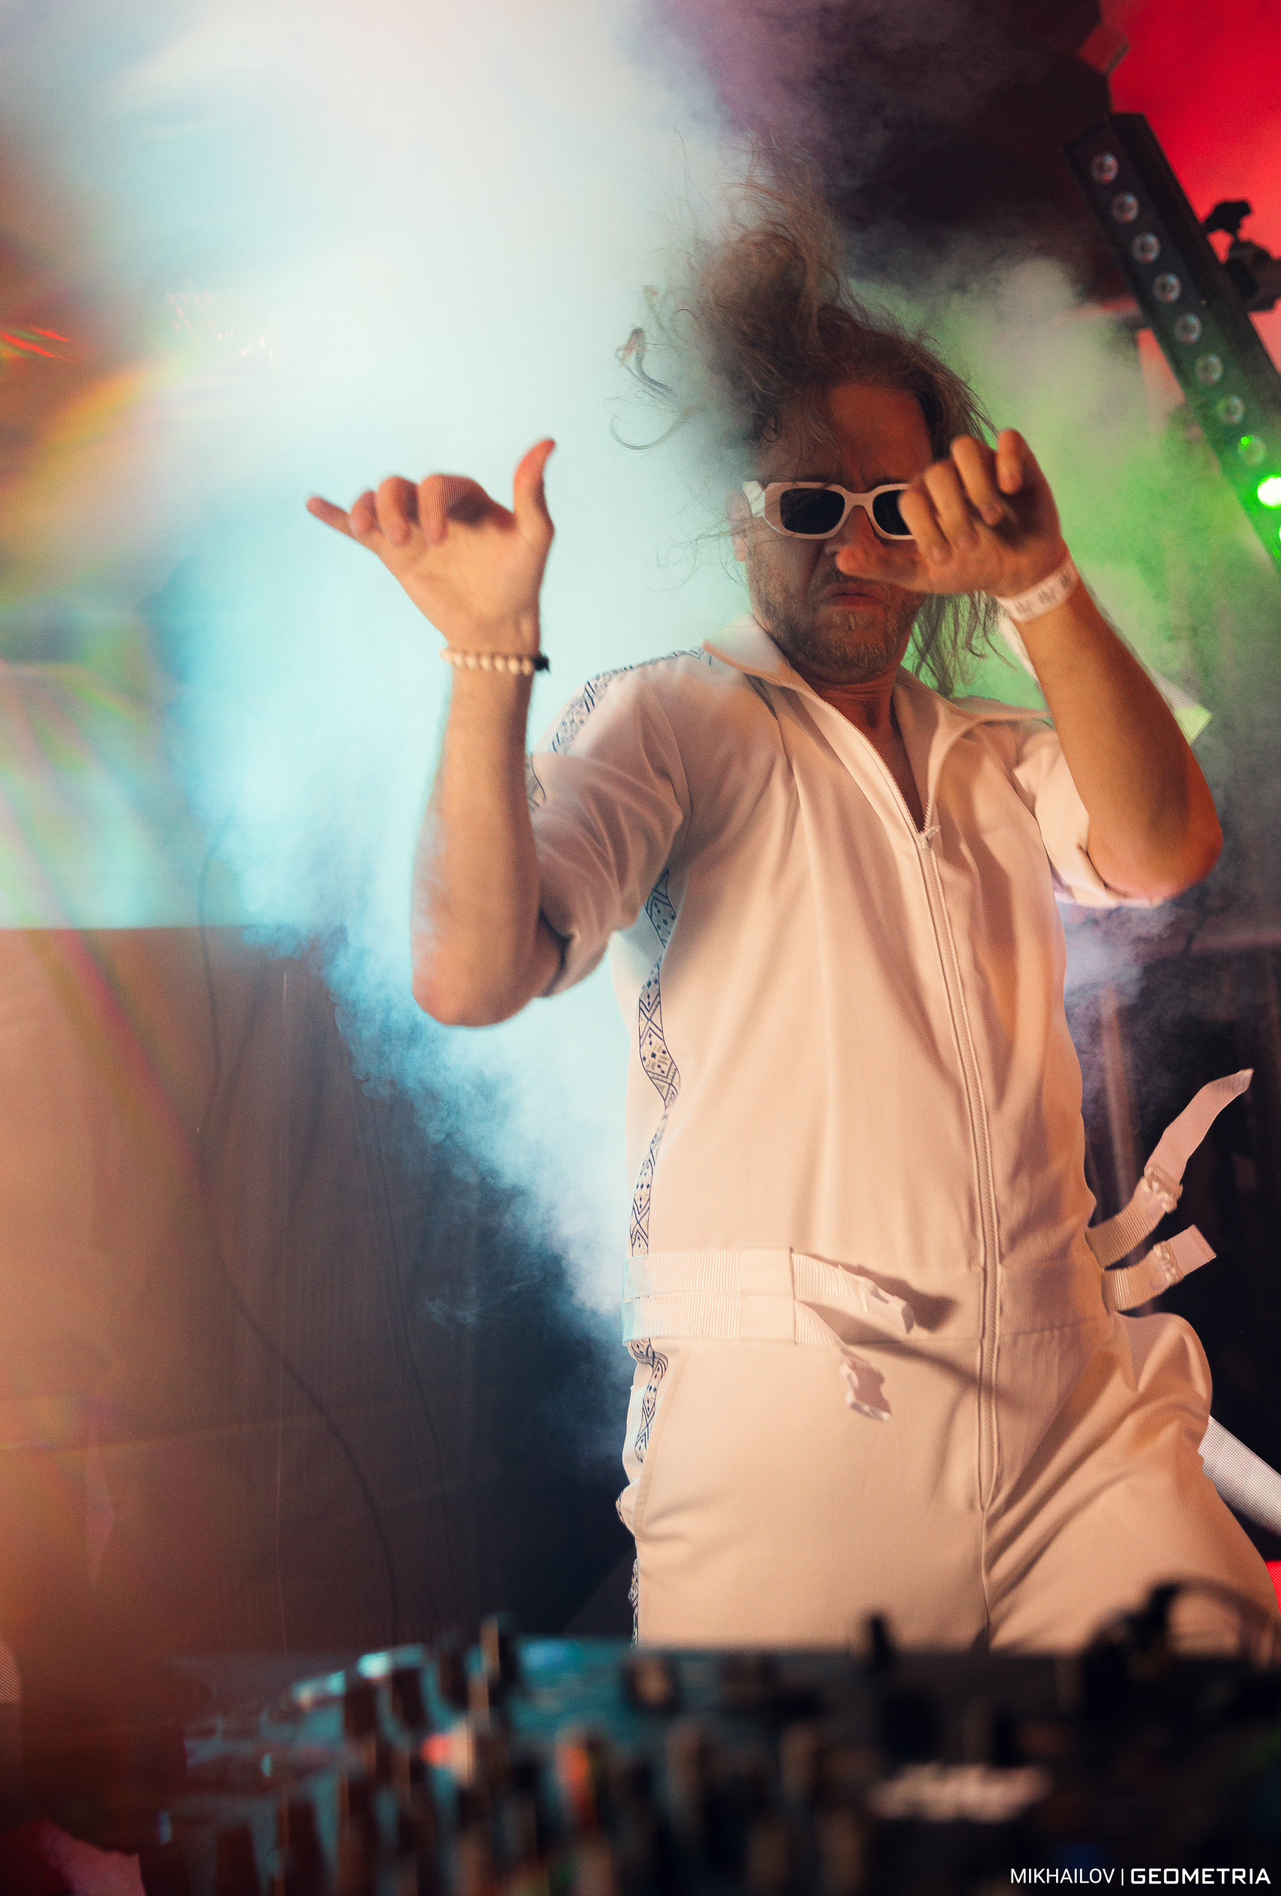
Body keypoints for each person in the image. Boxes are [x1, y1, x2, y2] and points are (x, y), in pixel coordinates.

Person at [307, 189, 1278, 1652]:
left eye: (897, 509)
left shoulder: (992, 745)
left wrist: (1040, 582)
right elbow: (467, 974)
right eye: (813, 506)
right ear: (743, 517)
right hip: (800, 1413)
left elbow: (1162, 848)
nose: (857, 549)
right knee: (806, 1795)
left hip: (1071, 1402)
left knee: (1217, 1773)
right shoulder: (665, 719)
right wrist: (487, 655)